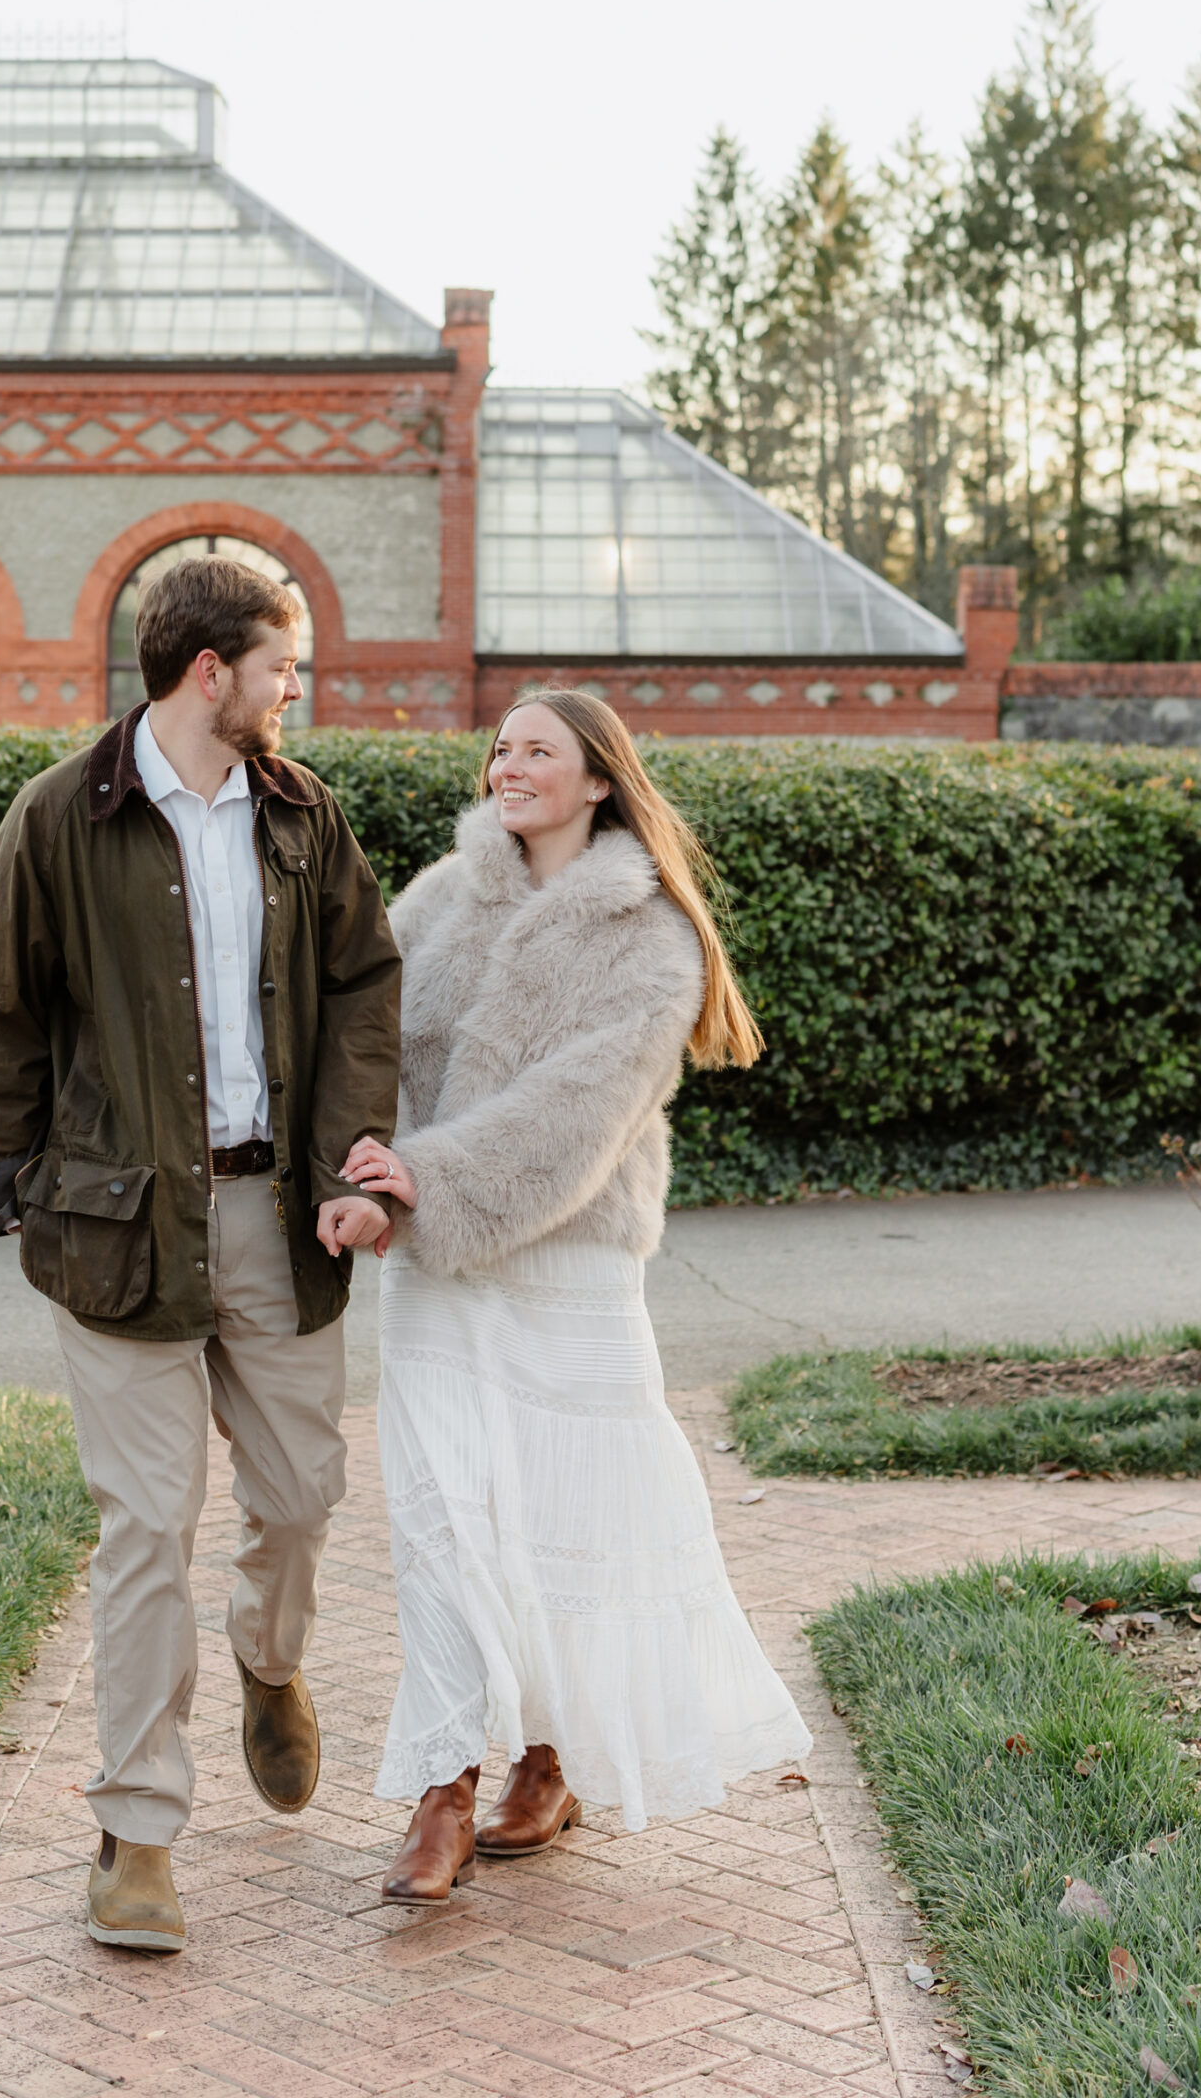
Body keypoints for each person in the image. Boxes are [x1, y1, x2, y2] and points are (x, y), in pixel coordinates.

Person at [0, 555, 399, 1955]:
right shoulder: (58, 816)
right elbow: (1, 1007)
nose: (292, 691)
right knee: (146, 1527)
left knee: (302, 1493)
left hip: (277, 1218)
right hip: (119, 1231)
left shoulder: (301, 813)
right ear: (210, 672)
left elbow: (362, 987)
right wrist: (12, 1166)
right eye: (279, 667)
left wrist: (346, 1171)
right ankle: (136, 1832)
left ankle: (270, 1665)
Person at [343, 690, 811, 1902]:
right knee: (438, 1514)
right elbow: (361, 1047)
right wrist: (370, 1183)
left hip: (568, 1266)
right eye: (499, 746)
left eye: (536, 749)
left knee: (572, 1519)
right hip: (430, 1261)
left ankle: (547, 1764)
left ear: (598, 780)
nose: (507, 764)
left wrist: (428, 1179)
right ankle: (443, 1787)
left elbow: (580, 1112)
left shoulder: (651, 936)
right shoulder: (438, 901)